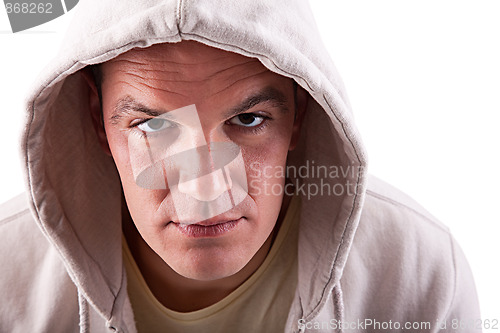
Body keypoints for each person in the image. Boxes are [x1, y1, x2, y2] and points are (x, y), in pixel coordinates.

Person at [0, 0, 481, 332]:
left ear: (301, 117)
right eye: (155, 128)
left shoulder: (420, 272)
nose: (207, 191)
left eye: (248, 120)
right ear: (96, 121)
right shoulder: (6, 277)